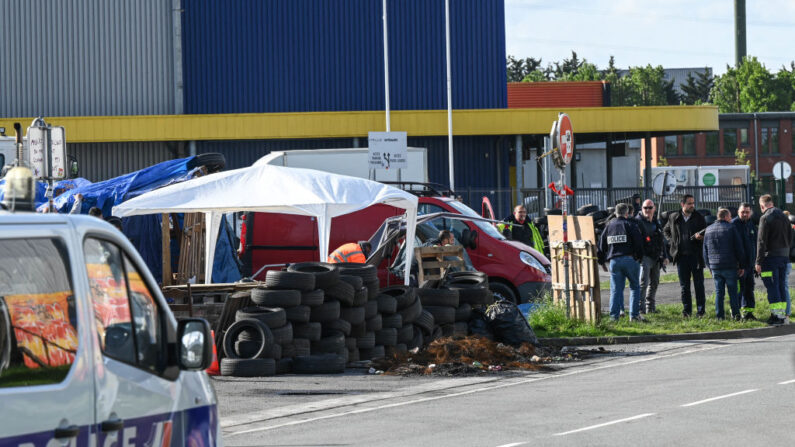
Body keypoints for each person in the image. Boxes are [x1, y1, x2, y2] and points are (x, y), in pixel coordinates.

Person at [598, 203, 644, 322]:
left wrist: (602, 261)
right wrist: (639, 257)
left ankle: (614, 317)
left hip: (614, 261)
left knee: (615, 289)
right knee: (634, 287)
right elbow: (639, 242)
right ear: (627, 213)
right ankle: (633, 316)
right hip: (630, 260)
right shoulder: (630, 225)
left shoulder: (609, 226)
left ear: (615, 213)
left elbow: (601, 245)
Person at [664, 194, 707, 317]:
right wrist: (672, 242)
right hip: (681, 257)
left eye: (693, 203)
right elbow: (665, 230)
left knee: (699, 285)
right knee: (684, 286)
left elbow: (707, 233)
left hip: (696, 257)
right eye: (689, 203)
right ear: (682, 204)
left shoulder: (699, 217)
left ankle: (701, 311)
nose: (692, 205)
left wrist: (701, 237)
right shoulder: (674, 217)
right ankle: (687, 311)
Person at [702, 208, 746, 320]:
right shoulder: (731, 228)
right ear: (726, 217)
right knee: (733, 292)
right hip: (729, 265)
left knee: (719, 293)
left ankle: (719, 316)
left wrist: (710, 267)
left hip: (715, 266)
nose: (731, 219)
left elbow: (705, 251)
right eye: (730, 216)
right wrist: (741, 265)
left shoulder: (708, 229)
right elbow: (739, 248)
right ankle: (736, 316)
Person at [755, 194, 791, 325]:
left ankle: (776, 316)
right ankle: (782, 315)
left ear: (762, 205)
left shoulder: (765, 218)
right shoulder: (784, 217)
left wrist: (758, 262)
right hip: (784, 258)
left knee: (771, 286)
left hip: (769, 259)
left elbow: (761, 241)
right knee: (781, 285)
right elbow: (790, 237)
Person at [635, 199, 668, 313]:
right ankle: (641, 309)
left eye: (650, 208)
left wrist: (665, 256)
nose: (648, 210)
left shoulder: (656, 221)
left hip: (656, 257)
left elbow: (661, 240)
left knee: (654, 282)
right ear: (642, 209)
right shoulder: (638, 222)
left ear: (654, 208)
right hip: (644, 256)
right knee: (643, 283)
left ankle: (651, 307)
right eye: (645, 208)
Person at [732, 203, 758, 320]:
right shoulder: (733, 225)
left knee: (749, 290)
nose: (745, 214)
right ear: (738, 212)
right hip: (738, 266)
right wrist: (737, 265)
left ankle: (749, 313)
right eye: (743, 212)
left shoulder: (751, 225)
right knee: (738, 290)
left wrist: (755, 262)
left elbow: (755, 244)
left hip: (750, 265)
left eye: (747, 212)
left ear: (750, 213)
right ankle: (737, 314)